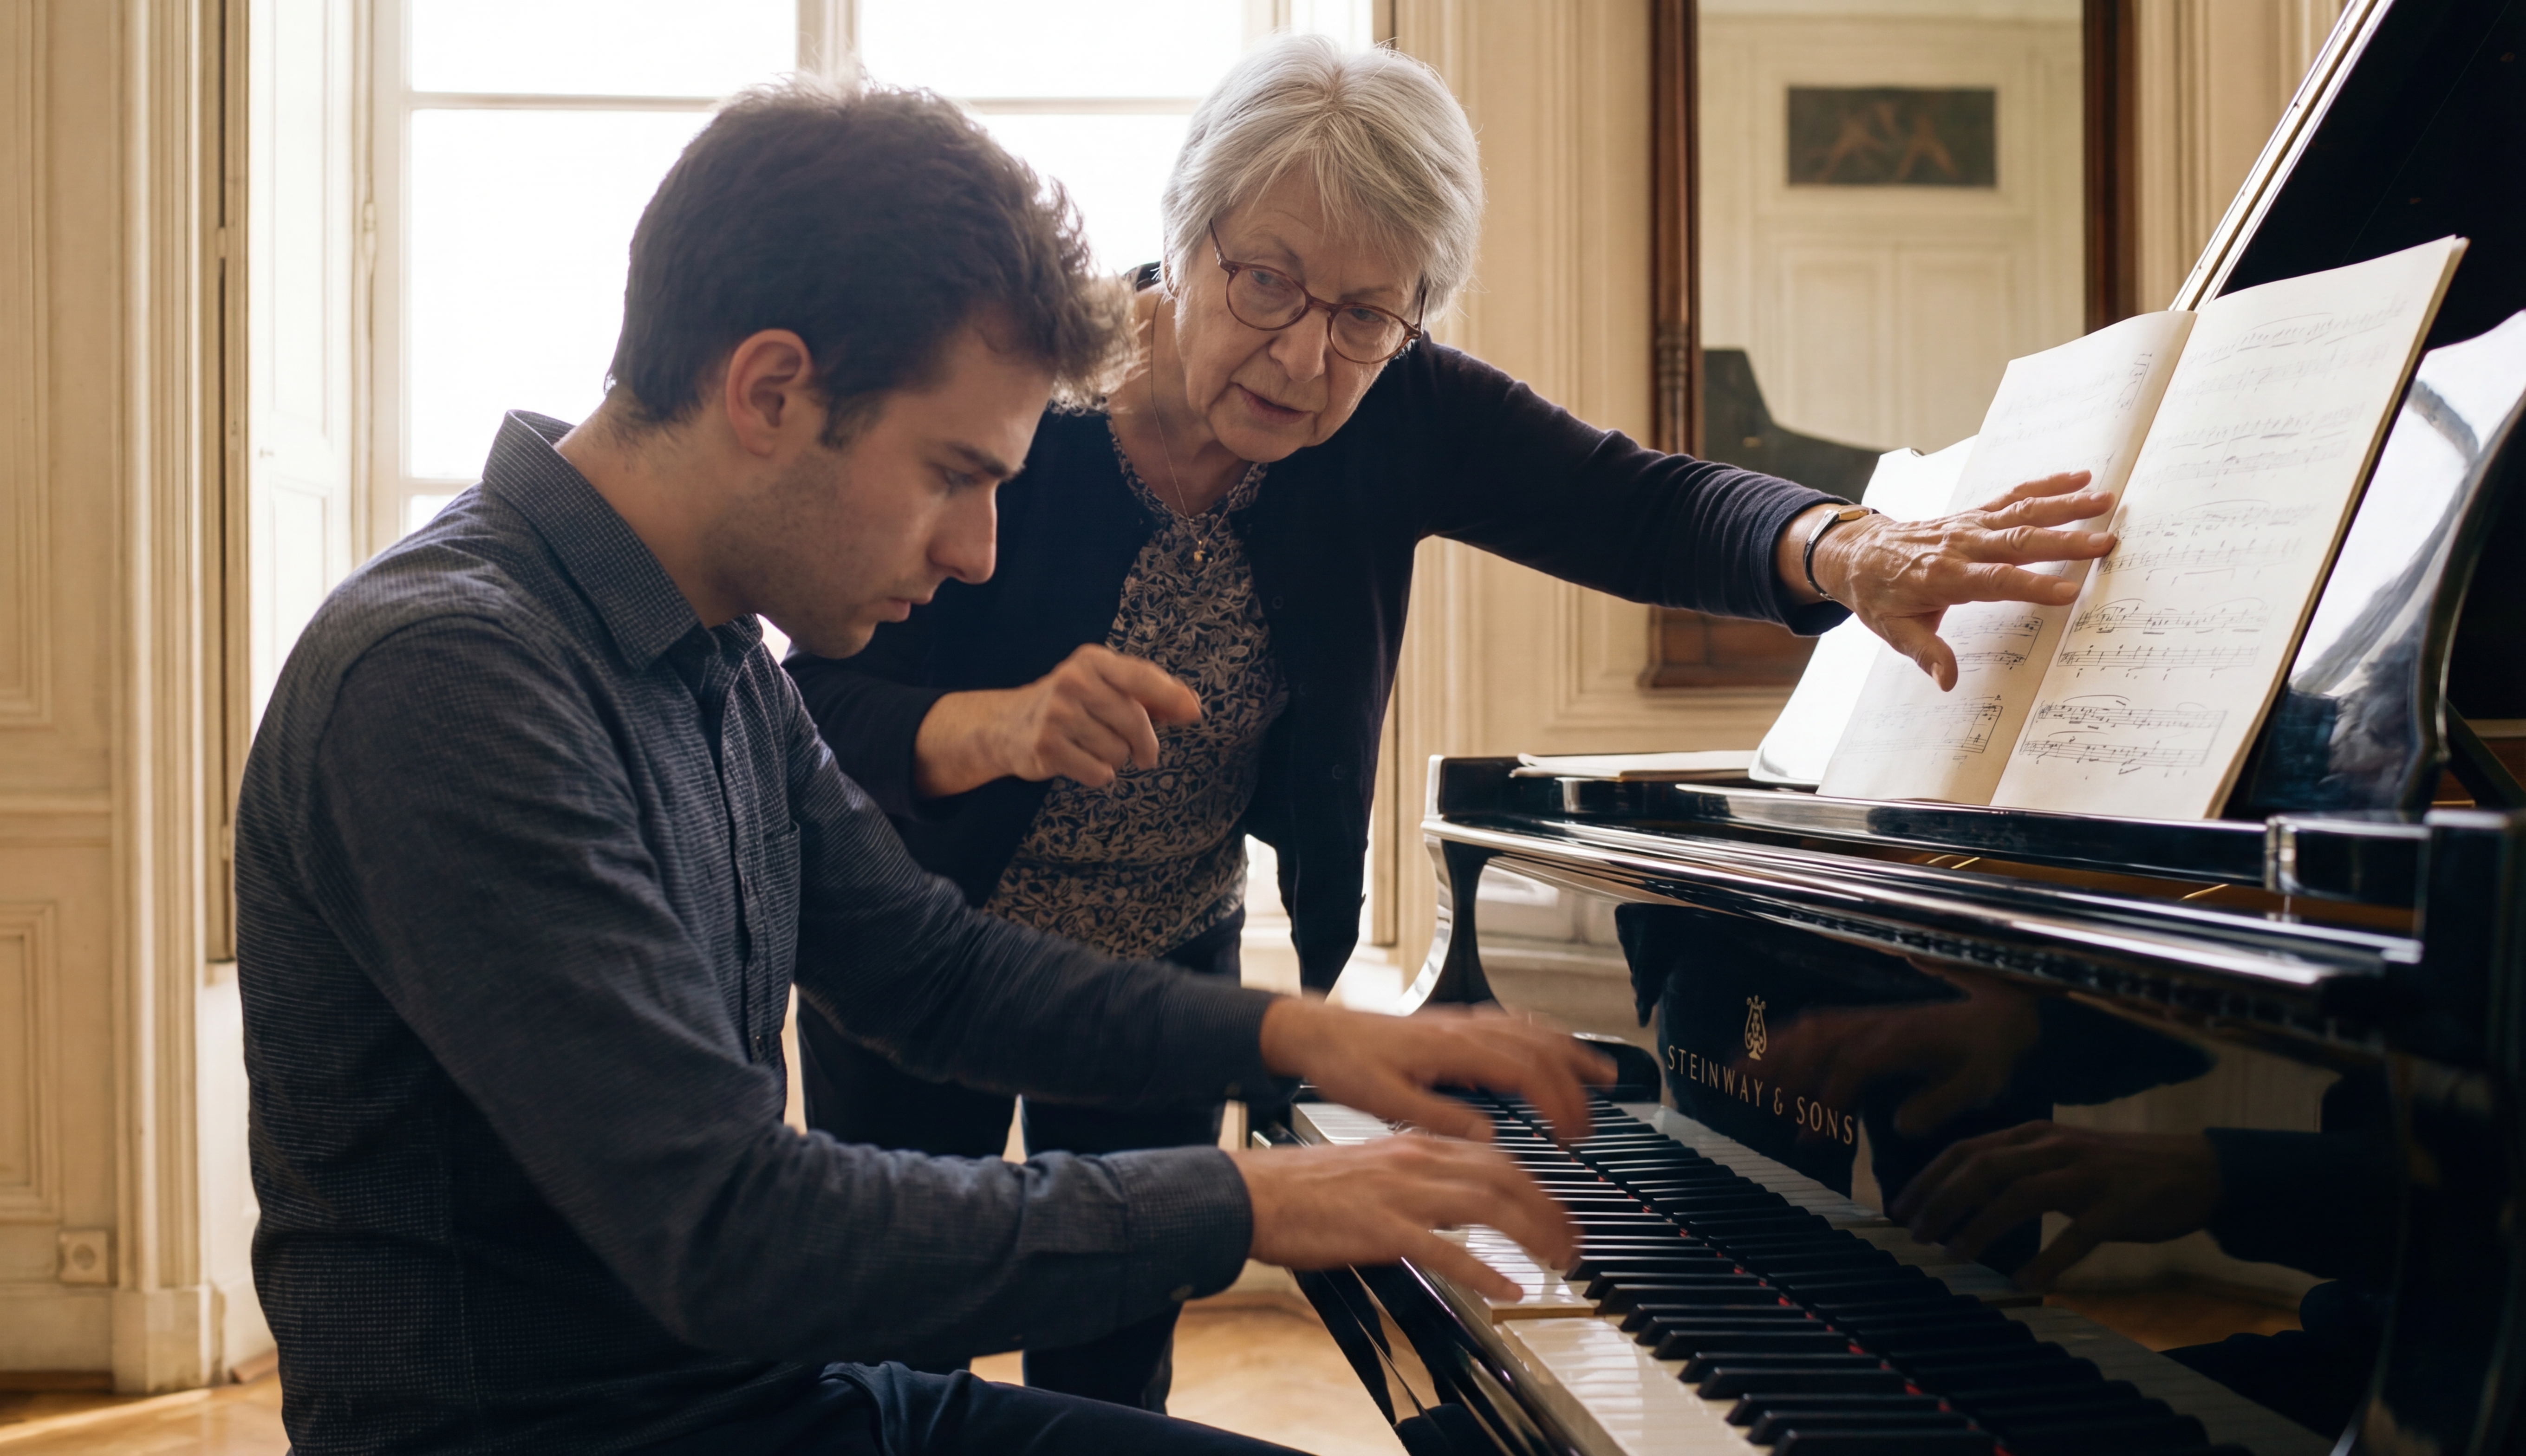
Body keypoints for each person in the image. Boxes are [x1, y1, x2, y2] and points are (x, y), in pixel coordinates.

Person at [234, 78, 1613, 1456]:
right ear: (771, 390)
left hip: (758, 1404)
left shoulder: (703, 650)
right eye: (958, 473)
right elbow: (730, 1230)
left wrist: (1308, 1038)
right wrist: (1249, 1202)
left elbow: (934, 974)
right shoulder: (449, 678)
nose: (980, 554)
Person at [785, 33, 2122, 1410]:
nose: (1307, 355)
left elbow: (1635, 500)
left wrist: (1847, 549)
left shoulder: (1399, 413)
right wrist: (989, 729)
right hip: (916, 943)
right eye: (1267, 282)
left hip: (1154, 968)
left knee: (1114, 1364)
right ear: (1181, 240)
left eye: (1369, 315)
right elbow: (811, 700)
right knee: (891, 1350)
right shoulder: (1023, 391)